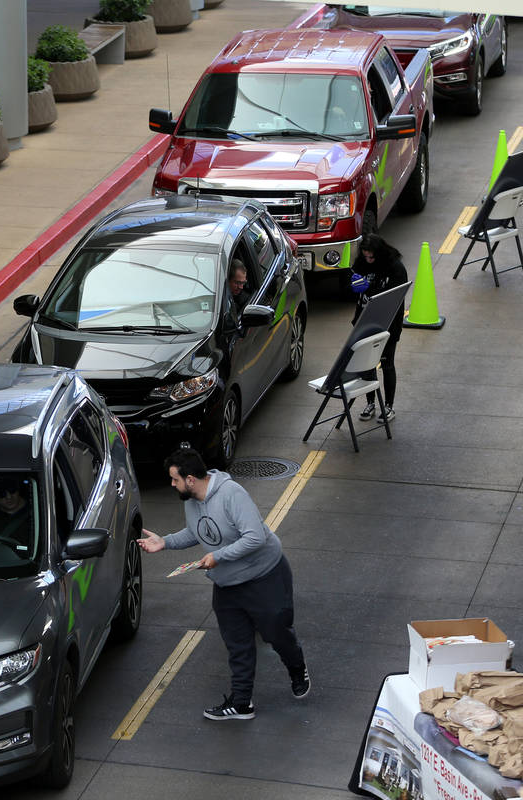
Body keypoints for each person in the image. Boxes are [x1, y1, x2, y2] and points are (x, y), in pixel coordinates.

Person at [138, 448, 309, 721]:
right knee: (237, 643)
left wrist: (218, 557)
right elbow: (198, 531)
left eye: (175, 480)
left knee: (276, 633)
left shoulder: (232, 495)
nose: (172, 485)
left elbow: (255, 538)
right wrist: (166, 542)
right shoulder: (191, 500)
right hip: (228, 584)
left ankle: (296, 667)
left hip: (264, 576)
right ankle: (242, 703)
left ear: (191, 479)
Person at [349, 234, 408, 423]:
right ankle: (371, 402)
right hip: (364, 322)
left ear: (380, 253)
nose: (368, 260)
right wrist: (352, 283)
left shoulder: (395, 268)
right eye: (365, 256)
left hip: (387, 325)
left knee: (387, 364)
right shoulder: (363, 262)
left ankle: (388, 406)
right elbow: (352, 276)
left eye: (371, 257)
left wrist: (368, 289)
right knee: (367, 365)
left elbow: (391, 299)